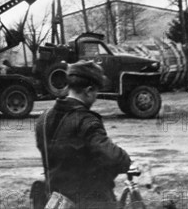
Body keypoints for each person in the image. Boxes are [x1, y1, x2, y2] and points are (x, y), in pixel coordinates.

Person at [35, 60, 131, 209]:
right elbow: (111, 156)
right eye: (96, 92)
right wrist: (127, 161)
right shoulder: (86, 121)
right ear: (88, 90)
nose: (96, 96)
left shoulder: (44, 118)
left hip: (57, 201)